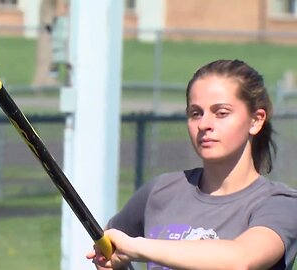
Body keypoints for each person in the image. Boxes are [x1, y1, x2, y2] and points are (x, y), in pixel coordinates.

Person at [87, 59, 297, 270]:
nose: (204, 124)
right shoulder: (160, 192)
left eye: (221, 113)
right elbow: (111, 250)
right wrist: (113, 263)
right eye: (196, 113)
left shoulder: (280, 204)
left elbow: (241, 260)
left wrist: (137, 247)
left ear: (256, 120)